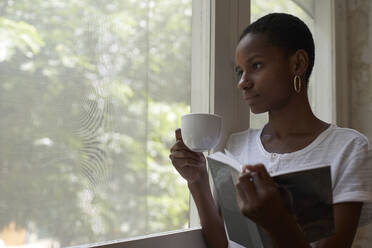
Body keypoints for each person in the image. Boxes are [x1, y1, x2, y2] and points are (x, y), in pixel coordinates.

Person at [169, 13, 372, 248]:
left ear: (298, 63)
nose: (242, 82)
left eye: (255, 66)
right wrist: (198, 180)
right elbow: (223, 245)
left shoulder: (348, 148)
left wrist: (277, 221)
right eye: (239, 71)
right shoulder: (236, 146)